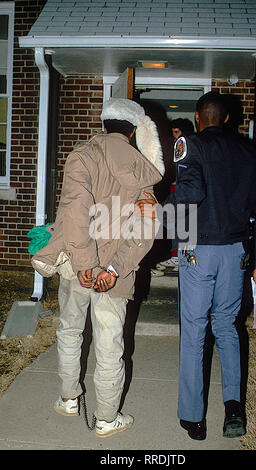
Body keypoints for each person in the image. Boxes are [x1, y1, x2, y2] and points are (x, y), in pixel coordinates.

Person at [137, 91, 256, 440]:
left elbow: (192, 191)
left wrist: (160, 207)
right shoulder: (250, 151)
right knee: (227, 327)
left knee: (195, 331)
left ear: (199, 117)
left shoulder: (190, 146)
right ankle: (233, 410)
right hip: (236, 253)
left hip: (200, 250)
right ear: (226, 118)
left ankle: (193, 418)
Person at [31, 98, 164, 438]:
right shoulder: (141, 167)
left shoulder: (83, 156)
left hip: (79, 265)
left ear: (103, 123)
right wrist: (114, 269)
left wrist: (87, 264)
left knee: (71, 330)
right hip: (114, 274)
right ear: (133, 131)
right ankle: (106, 418)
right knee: (110, 342)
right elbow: (146, 226)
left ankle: (69, 399)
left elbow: (75, 212)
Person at [156, 118, 194, 274]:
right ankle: (173, 254)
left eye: (176, 132)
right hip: (173, 190)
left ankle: (178, 255)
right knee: (170, 222)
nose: (174, 136)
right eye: (172, 133)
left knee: (183, 223)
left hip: (184, 192)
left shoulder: (191, 148)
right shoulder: (173, 148)